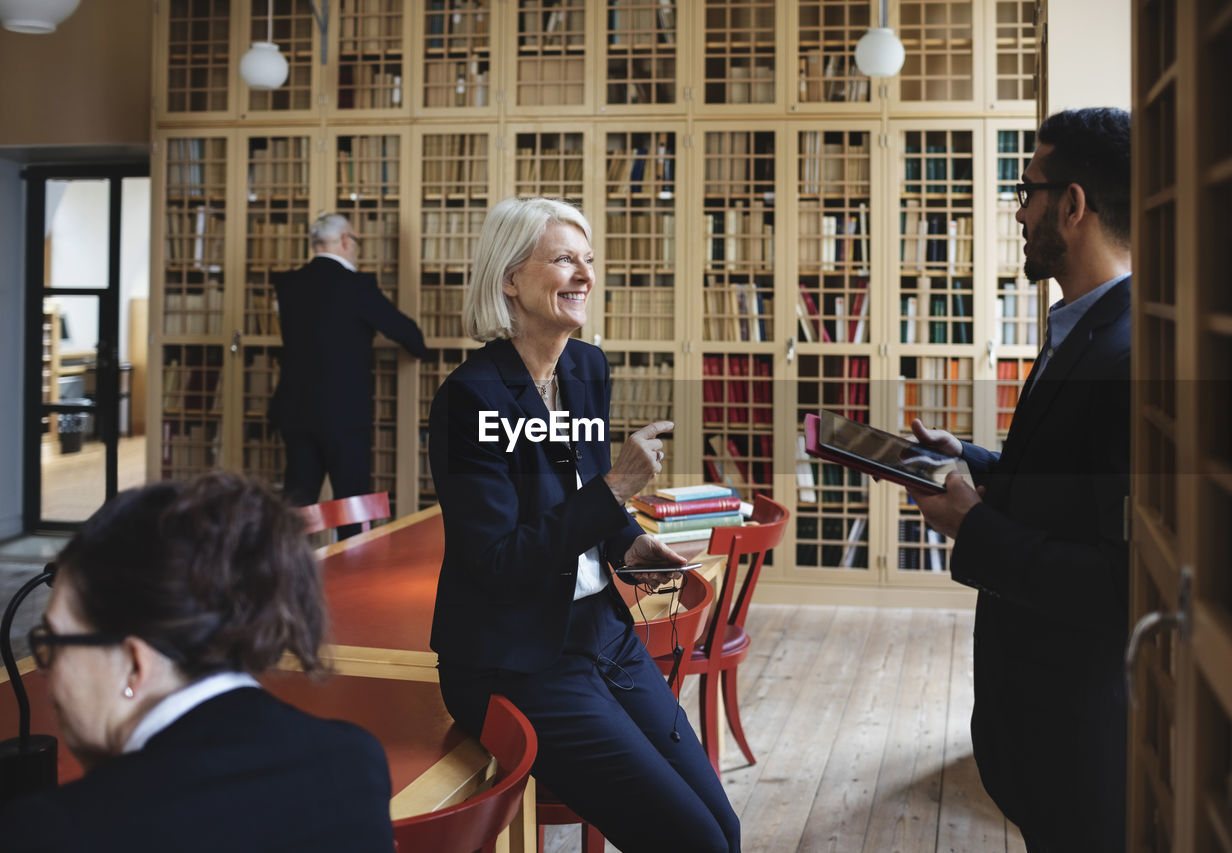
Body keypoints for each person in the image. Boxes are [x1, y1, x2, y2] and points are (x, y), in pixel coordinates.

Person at [428, 197, 740, 852]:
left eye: (589, 260)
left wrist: (629, 541)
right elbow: (496, 561)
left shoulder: (585, 368)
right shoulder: (470, 398)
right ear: (510, 277)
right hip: (517, 659)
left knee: (724, 829)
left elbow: (586, 505)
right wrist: (617, 486)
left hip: (604, 631)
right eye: (564, 258)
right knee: (696, 844)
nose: (585, 275)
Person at [905, 108, 1132, 852]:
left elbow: (1118, 581)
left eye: (1027, 187)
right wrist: (970, 458)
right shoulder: (1084, 325)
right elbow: (1062, 482)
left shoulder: (1127, 356)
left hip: (1081, 731)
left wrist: (972, 524)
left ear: (1072, 206)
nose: (1017, 204)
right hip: (1038, 720)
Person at [0, 472, 394, 852]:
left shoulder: (51, 831)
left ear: (135, 663)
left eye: (52, 642)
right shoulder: (355, 762)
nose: (47, 675)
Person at [270, 212, 431, 517]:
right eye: (355, 241)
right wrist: (421, 350)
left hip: (294, 408)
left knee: (297, 505)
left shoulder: (288, 285)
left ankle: (288, 564)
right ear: (345, 241)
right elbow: (408, 334)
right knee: (351, 505)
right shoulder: (357, 286)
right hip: (343, 413)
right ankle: (352, 564)